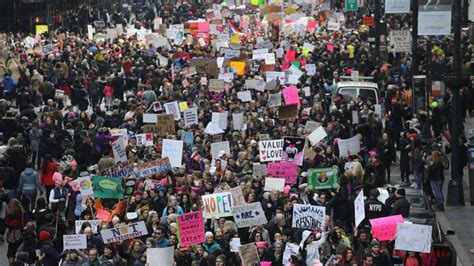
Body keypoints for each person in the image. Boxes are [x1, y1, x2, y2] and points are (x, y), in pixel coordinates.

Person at [5, 199, 27, 265]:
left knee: (11, 253)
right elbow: (26, 221)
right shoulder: (23, 212)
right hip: (21, 233)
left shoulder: (10, 214)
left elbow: (7, 223)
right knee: (20, 250)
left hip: (12, 235)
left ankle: (12, 264)